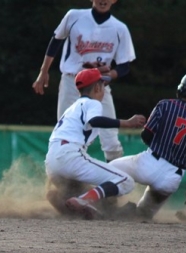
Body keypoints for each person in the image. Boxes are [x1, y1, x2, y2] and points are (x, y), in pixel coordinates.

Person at [32, 0, 136, 163]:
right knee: (66, 133)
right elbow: (56, 40)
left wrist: (110, 75)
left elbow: (124, 65)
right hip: (72, 81)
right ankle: (61, 175)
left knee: (111, 139)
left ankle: (115, 175)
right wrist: (43, 71)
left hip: (99, 85)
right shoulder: (74, 16)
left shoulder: (119, 28)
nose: (103, 0)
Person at [108, 70, 186, 219]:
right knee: (143, 215)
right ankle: (131, 213)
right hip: (172, 177)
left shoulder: (165, 105)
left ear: (182, 88)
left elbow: (146, 135)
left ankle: (105, 207)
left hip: (149, 162)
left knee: (109, 170)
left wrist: (161, 145)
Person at [45, 68, 146, 220]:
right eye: (103, 85)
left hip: (52, 163)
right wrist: (126, 123)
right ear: (97, 87)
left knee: (94, 195)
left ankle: (64, 198)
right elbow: (94, 120)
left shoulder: (72, 108)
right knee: (126, 181)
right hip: (70, 156)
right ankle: (82, 200)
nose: (104, 89)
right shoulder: (92, 103)